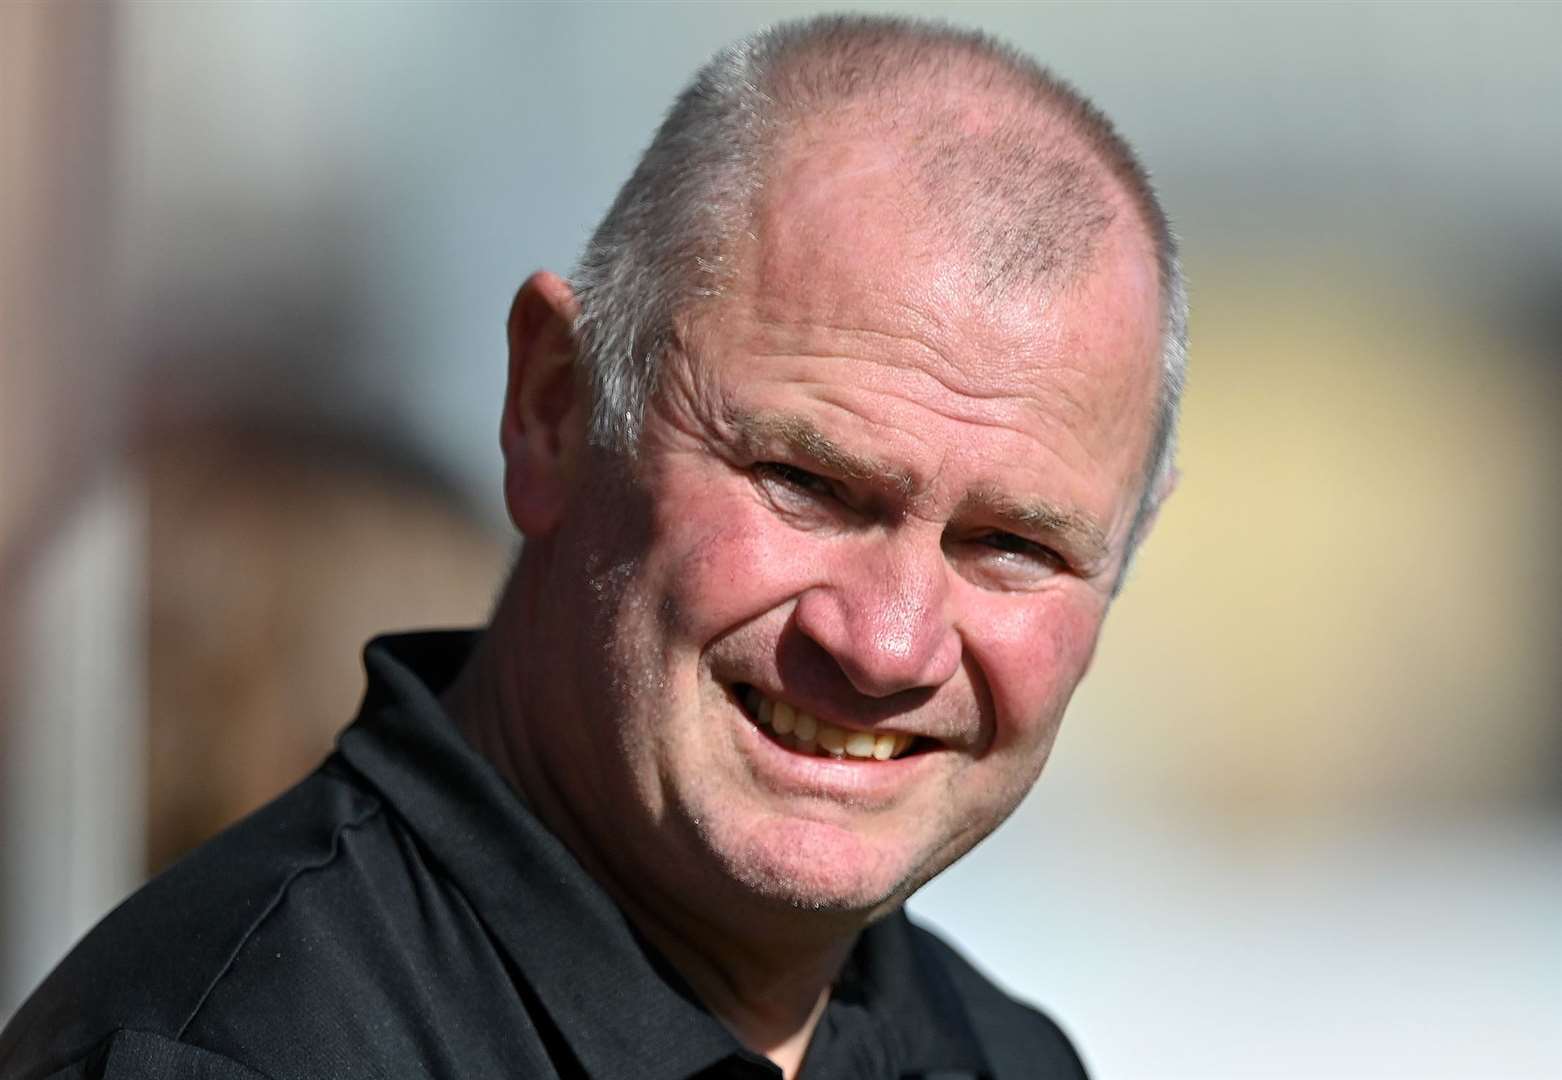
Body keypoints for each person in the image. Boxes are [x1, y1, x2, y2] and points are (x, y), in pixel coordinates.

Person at [0, 14, 1184, 1080]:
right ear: (553, 409)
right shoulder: (229, 1051)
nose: (885, 645)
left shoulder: (1002, 1058)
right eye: (805, 483)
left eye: (1013, 546)